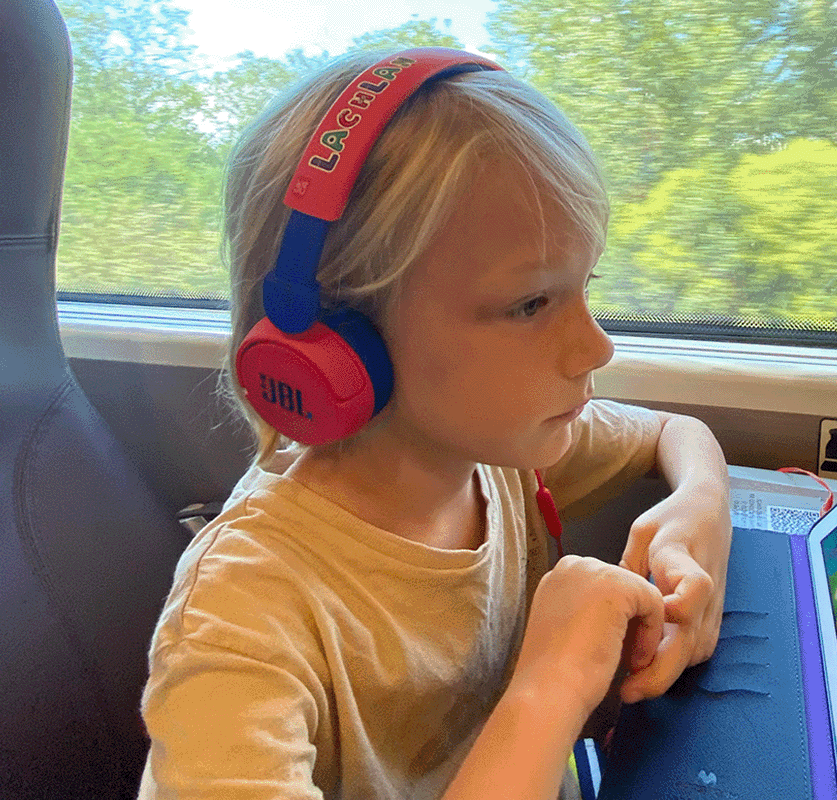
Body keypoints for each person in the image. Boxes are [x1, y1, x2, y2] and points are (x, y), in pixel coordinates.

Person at [138, 47, 732, 800]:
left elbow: (676, 435)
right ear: (339, 340)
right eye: (530, 304)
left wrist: (698, 508)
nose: (597, 345)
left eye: (586, 286)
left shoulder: (498, 453)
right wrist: (549, 689)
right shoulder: (241, 617)